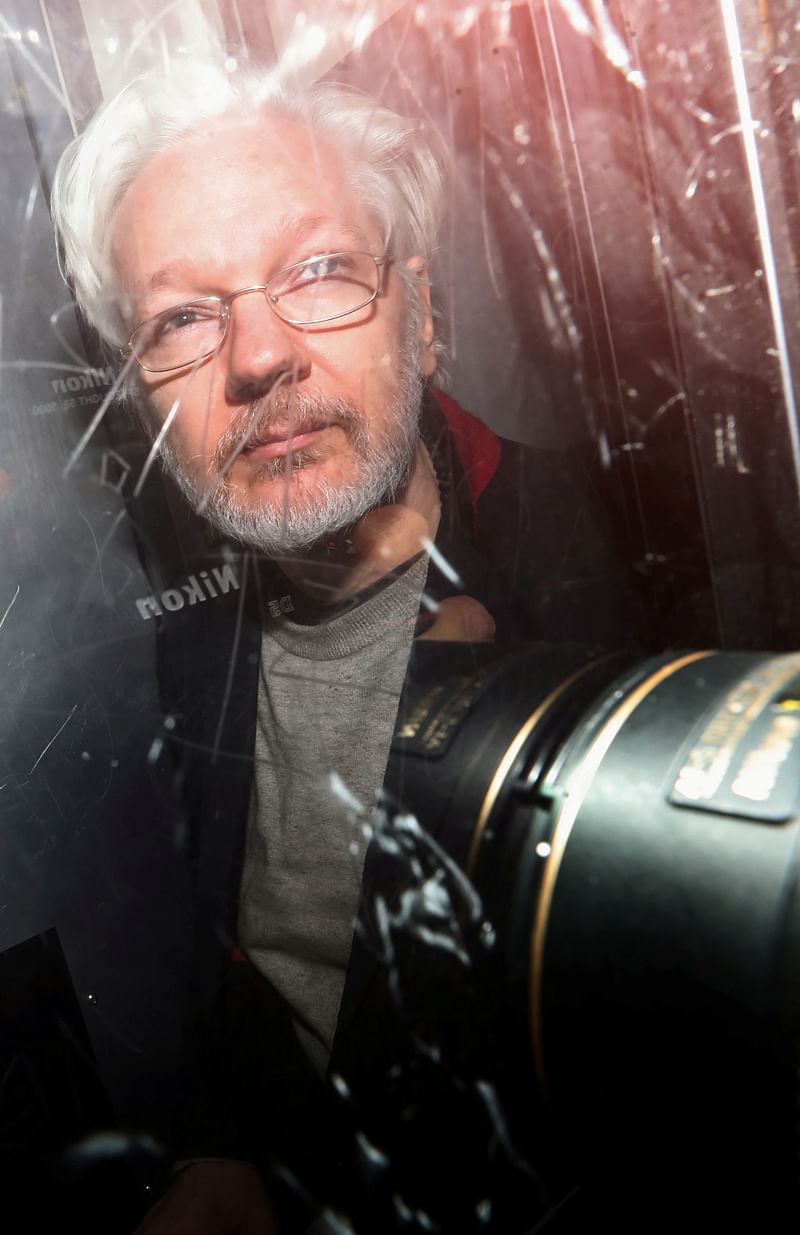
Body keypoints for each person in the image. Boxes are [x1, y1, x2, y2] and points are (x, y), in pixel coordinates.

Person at [51, 59, 637, 1233]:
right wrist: (231, 1148)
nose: (257, 356)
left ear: (421, 316)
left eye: (316, 270)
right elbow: (276, 942)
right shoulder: (198, 638)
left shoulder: (603, 563)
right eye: (182, 317)